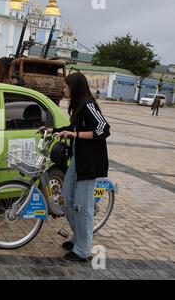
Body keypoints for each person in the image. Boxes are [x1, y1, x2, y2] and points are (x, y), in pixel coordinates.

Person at [40, 72, 110, 262]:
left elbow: (103, 129)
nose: (63, 89)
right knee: (67, 199)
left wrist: (75, 135)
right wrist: (53, 131)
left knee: (83, 207)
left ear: (75, 87)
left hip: (89, 162)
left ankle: (84, 250)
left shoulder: (88, 104)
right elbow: (74, 129)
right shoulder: (79, 106)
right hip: (78, 159)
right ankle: (77, 238)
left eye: (66, 86)